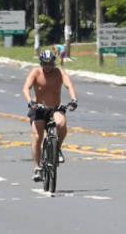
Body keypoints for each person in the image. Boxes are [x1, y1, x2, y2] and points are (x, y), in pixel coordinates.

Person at [22, 50, 78, 182]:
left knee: (62, 125)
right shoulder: (36, 72)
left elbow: (69, 85)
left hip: (55, 108)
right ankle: (37, 168)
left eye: (50, 64)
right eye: (45, 64)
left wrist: (73, 100)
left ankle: (56, 149)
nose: (48, 66)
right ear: (41, 63)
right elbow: (26, 88)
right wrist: (30, 101)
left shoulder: (59, 72)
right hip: (39, 108)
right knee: (37, 137)